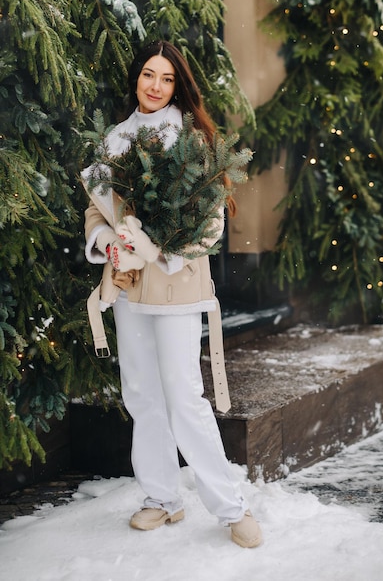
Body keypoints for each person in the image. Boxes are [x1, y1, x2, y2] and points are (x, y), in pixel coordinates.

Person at [82, 40, 262, 548]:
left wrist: (154, 250)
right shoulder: (114, 141)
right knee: (141, 393)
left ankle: (231, 506)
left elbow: (209, 226)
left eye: (165, 78)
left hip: (177, 285)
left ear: (177, 84)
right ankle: (162, 498)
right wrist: (110, 247)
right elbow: (98, 213)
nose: (155, 86)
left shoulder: (193, 140)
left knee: (184, 395)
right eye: (148, 75)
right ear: (136, 78)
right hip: (127, 285)